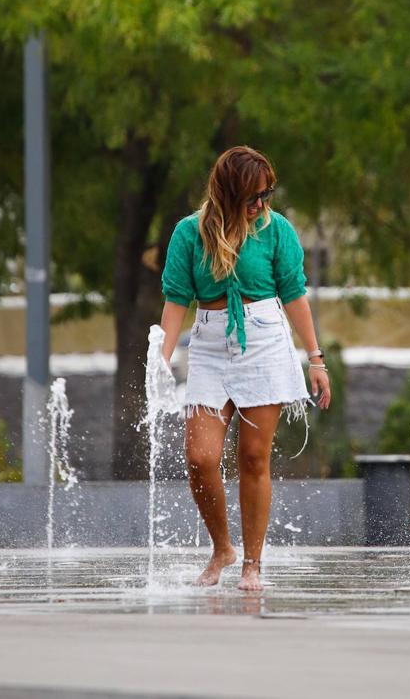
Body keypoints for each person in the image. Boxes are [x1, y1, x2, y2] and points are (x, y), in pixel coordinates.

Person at [160, 146, 330, 591]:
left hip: (265, 342)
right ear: (228, 193)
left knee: (254, 458)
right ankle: (222, 548)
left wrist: (316, 358)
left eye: (267, 194)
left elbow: (294, 294)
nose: (262, 204)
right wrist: (158, 361)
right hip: (211, 345)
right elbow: (177, 299)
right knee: (200, 457)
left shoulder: (277, 231)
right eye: (253, 197)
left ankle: (252, 563)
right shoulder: (189, 233)